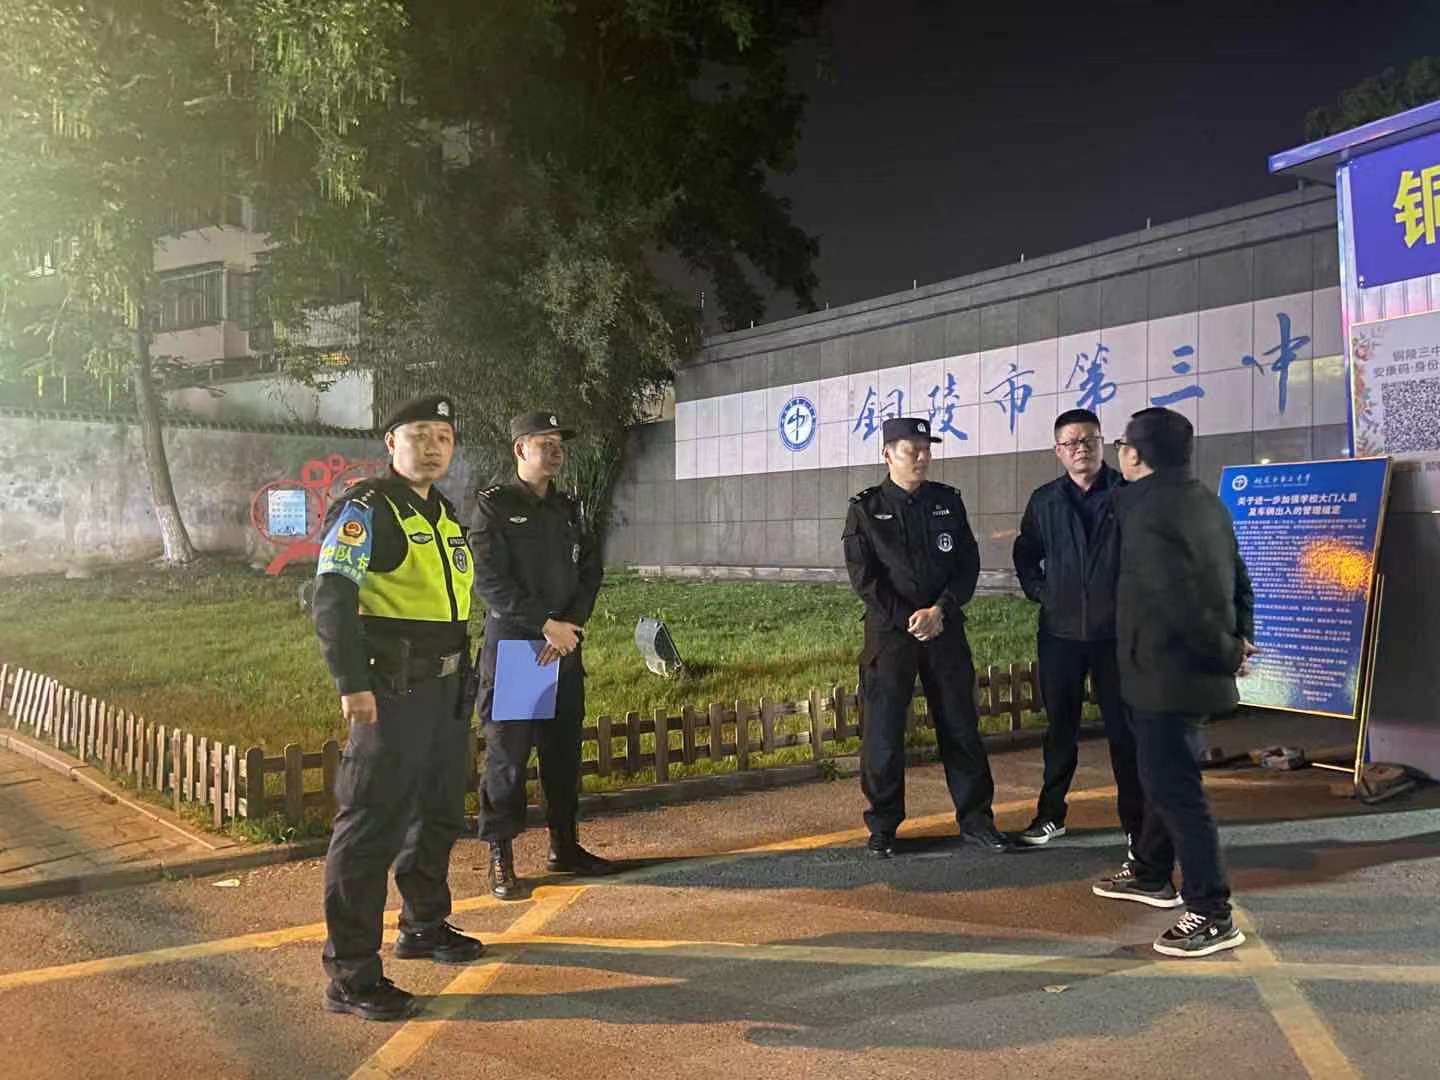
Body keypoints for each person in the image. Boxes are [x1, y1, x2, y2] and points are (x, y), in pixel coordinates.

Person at [312, 393, 484, 1022]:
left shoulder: (443, 514)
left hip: (446, 694)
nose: (433, 446)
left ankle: (424, 925)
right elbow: (332, 595)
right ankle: (352, 974)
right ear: (391, 443)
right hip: (392, 692)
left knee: (438, 814)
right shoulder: (368, 508)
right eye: (419, 434)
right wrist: (351, 682)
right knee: (370, 827)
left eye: (444, 436)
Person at [1092, 407, 1255, 958]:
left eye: (1121, 445)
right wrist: (1241, 639)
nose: (1119, 453)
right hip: (1172, 669)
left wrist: (1227, 652)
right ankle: (1150, 870)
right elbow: (1238, 577)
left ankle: (1212, 912)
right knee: (1160, 776)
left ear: (1136, 454)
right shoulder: (1206, 501)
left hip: (1166, 672)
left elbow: (1178, 602)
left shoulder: (1145, 510)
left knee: (1177, 790)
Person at [842, 416, 1009, 857]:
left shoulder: (947, 502)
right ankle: (883, 826)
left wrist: (940, 611)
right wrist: (909, 618)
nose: (921, 457)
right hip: (891, 635)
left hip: (944, 629)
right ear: (887, 454)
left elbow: (967, 564)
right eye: (910, 449)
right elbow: (865, 578)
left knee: (960, 725)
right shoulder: (866, 509)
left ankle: (977, 820)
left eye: (926, 449)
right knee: (883, 733)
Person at [471, 411, 613, 901]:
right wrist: (545, 625)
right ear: (519, 449)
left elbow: (590, 570)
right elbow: (489, 580)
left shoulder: (568, 508)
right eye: (544, 443)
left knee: (562, 755)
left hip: (563, 647)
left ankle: (564, 847)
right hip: (520, 650)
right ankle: (501, 857)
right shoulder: (495, 506)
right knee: (508, 761)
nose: (555, 451)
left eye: (559, 444)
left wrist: (569, 626)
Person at [1012, 408, 1139, 850]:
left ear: (1103, 444)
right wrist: (1041, 592)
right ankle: (1051, 815)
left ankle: (1136, 825)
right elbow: (1025, 552)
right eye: (1071, 443)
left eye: (1088, 440)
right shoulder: (1045, 500)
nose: (1080, 449)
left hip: (1116, 636)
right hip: (1060, 634)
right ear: (1058, 451)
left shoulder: (1128, 495)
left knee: (1125, 732)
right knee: (1060, 729)